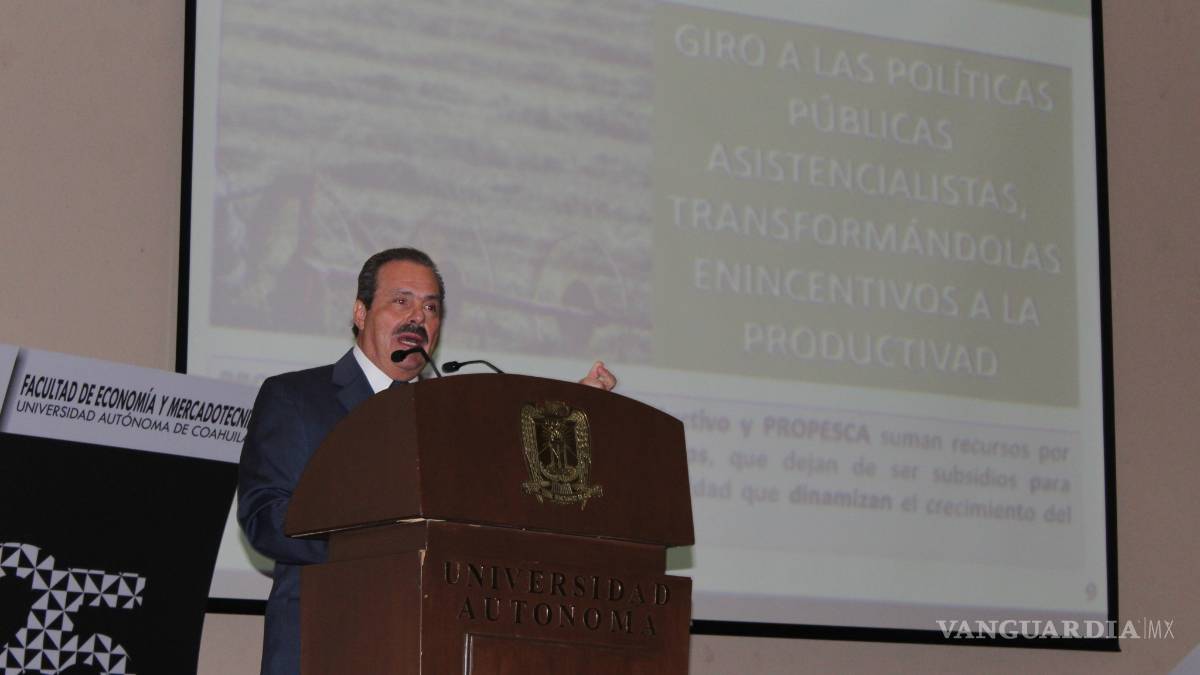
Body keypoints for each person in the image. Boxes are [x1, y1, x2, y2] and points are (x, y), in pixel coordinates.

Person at [237, 247, 615, 675]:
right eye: (401, 301)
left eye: (431, 308)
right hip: (325, 645)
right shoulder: (296, 398)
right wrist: (386, 543)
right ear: (360, 312)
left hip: (431, 647)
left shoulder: (449, 418)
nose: (418, 317)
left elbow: (503, 476)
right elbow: (266, 520)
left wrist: (567, 410)